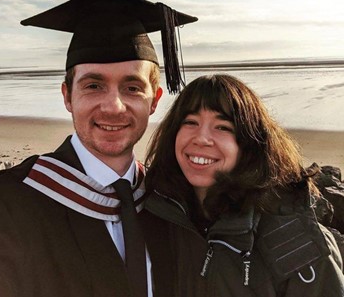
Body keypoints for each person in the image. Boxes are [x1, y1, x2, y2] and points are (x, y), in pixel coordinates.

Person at [0, 0, 197, 297]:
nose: (113, 106)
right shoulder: (7, 206)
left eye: (132, 87)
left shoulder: (171, 203)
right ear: (67, 96)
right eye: (94, 86)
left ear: (154, 101)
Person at [144, 74, 344, 297]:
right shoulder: (159, 214)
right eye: (190, 122)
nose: (201, 138)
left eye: (222, 127)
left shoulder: (294, 240)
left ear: (250, 143)